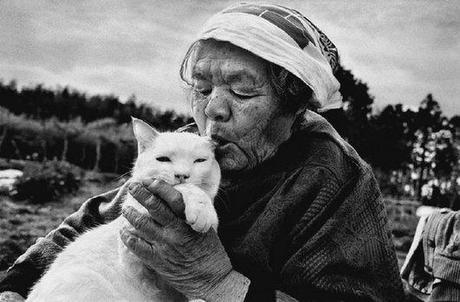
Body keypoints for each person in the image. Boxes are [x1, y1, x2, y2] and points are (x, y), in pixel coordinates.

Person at [0, 3, 405, 301]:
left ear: (293, 105)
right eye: (202, 87)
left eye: (242, 90)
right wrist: (15, 285)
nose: (212, 109)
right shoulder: (191, 147)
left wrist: (219, 283)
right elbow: (95, 219)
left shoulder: (332, 177)